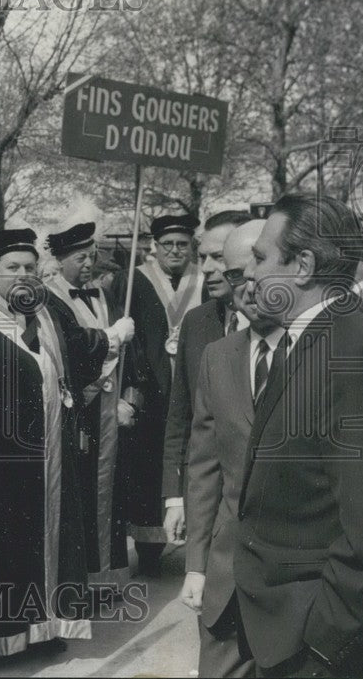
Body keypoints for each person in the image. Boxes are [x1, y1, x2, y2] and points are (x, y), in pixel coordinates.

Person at [237, 193, 363, 677]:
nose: (249, 271)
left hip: (317, 652)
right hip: (285, 637)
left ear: (303, 265)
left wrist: (320, 654)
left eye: (261, 257)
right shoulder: (310, 338)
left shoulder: (357, 355)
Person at [0, 228, 107, 656]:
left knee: (52, 535)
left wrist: (111, 337)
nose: (24, 275)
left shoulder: (45, 317)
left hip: (51, 452)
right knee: (6, 545)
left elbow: (82, 355)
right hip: (2, 462)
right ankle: (5, 641)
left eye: (30, 267)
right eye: (13, 268)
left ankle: (46, 629)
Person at [179, 219, 270, 678]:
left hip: (294, 592)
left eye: (257, 267)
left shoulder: (321, 353)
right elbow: (204, 467)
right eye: (236, 275)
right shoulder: (218, 356)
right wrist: (196, 565)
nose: (246, 286)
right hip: (225, 581)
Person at [109, 213, 205, 574]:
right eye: (169, 245)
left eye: (183, 244)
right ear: (155, 247)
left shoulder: (204, 280)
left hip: (196, 386)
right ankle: (150, 547)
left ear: (192, 247)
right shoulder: (132, 281)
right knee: (148, 466)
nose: (176, 251)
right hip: (152, 391)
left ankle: (196, 542)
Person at [45, 222, 138, 593]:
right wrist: (112, 336)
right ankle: (81, 580)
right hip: (78, 413)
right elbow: (71, 346)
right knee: (80, 493)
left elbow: (134, 357)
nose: (88, 264)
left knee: (110, 493)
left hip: (112, 413)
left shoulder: (105, 296)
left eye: (92, 256)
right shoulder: (50, 299)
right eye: (80, 257)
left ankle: (109, 576)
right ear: (61, 259)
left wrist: (130, 398)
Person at [161, 210, 252, 544]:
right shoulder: (196, 323)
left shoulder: (277, 325)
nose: (209, 269)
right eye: (203, 258)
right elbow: (180, 414)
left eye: (219, 258)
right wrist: (174, 497)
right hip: (206, 499)